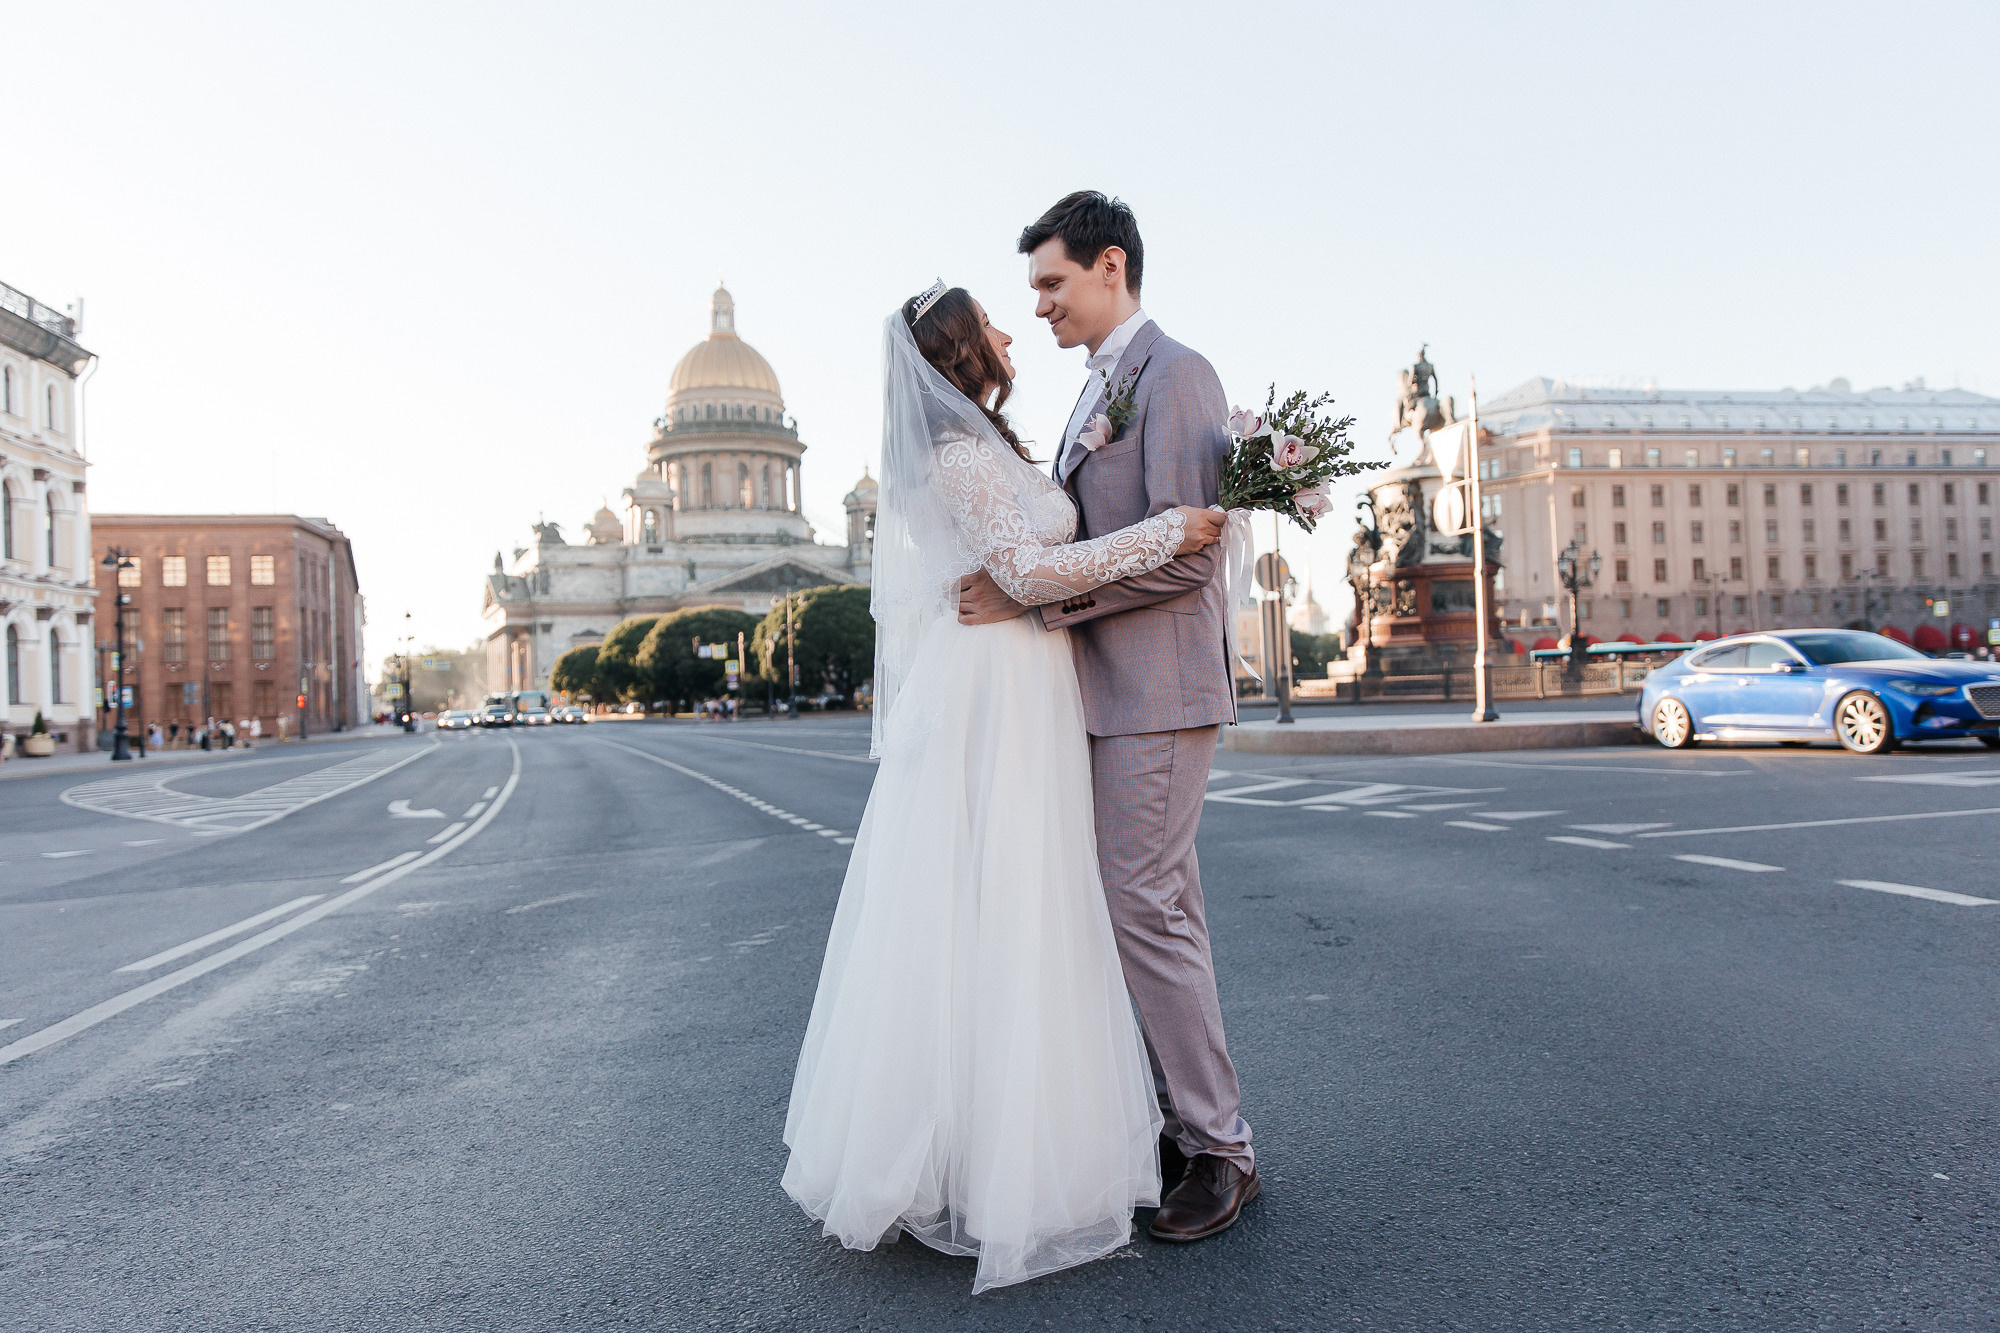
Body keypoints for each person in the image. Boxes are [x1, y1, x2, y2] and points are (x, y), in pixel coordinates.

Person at [782, 280, 1225, 1293]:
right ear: (956, 350)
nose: (1008, 324)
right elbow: (1027, 572)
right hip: (997, 687)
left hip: (1019, 679)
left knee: (1013, 908)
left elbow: (1024, 568)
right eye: (988, 316)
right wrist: (1172, 530)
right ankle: (1006, 1164)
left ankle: (1010, 1144)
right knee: (1003, 908)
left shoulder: (985, 445)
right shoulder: (957, 454)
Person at [955, 192, 1258, 1241]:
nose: (1036, 305)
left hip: (1160, 686)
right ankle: (1189, 1122)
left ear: (1110, 267)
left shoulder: (1176, 375)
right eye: (1034, 287)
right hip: (1104, 689)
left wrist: (1039, 598)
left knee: (1142, 904)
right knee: (1149, 904)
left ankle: (1218, 1150)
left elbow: (1188, 552)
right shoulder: (1101, 387)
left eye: (1050, 282)